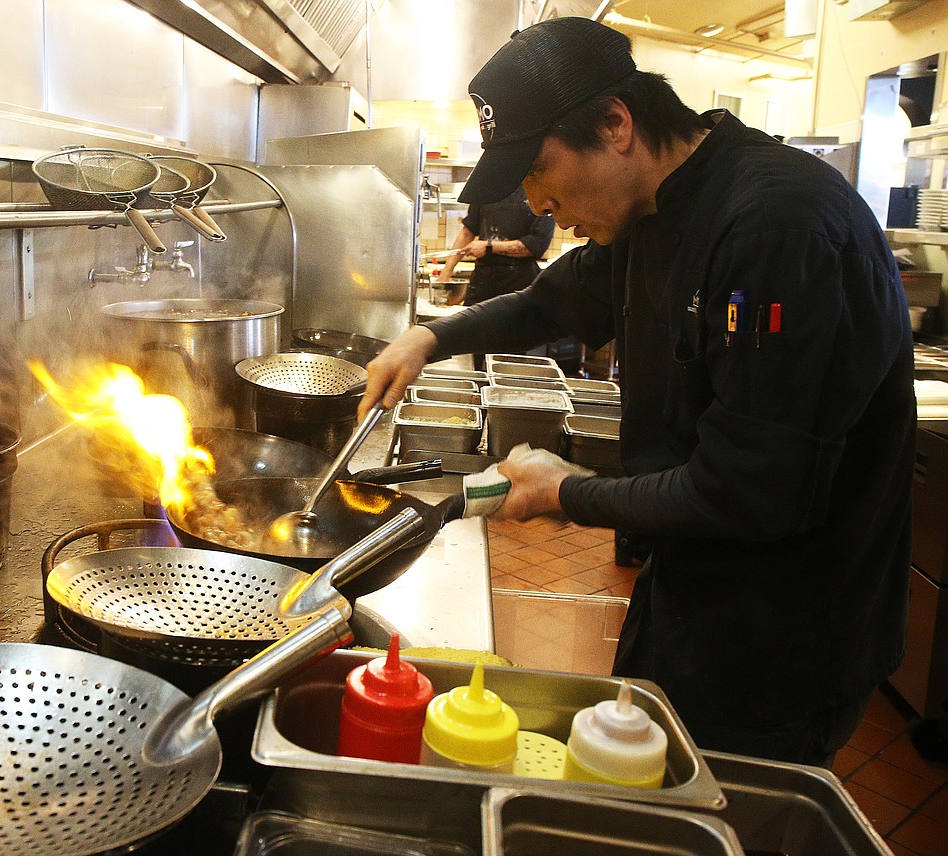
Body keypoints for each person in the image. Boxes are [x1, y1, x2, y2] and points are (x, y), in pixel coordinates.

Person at [361, 17, 915, 766]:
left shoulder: (775, 226)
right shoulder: (650, 210)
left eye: (538, 173)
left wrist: (565, 491)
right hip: (692, 588)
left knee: (722, 816)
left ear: (616, 125)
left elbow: (750, 492)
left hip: (782, 633)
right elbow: (549, 302)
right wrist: (427, 338)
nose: (539, 203)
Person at [434, 184, 554, 370]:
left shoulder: (539, 191)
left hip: (517, 286)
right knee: (470, 349)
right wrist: (446, 272)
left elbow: (536, 245)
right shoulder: (486, 188)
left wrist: (489, 246)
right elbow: (467, 231)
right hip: (482, 283)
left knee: (507, 359)